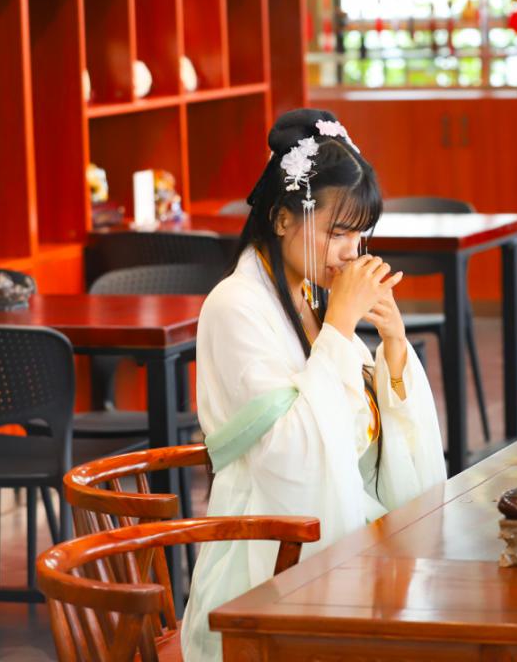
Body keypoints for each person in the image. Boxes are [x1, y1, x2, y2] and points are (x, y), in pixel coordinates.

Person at [181, 109, 446, 661]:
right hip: (267, 562)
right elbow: (291, 457)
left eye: (361, 234)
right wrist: (342, 327)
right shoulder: (234, 306)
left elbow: (358, 430)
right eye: (337, 233)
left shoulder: (307, 296)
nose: (352, 251)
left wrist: (394, 345)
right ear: (282, 219)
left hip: (342, 540)